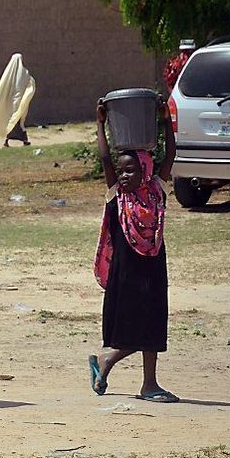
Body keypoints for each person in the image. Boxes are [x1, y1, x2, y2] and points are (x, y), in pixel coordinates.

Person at [89, 96, 178, 403]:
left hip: (152, 269)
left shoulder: (157, 192)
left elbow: (170, 156)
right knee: (133, 325)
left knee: (153, 323)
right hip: (125, 273)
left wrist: (165, 120)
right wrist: (101, 124)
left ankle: (147, 383)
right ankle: (109, 360)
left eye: (131, 171)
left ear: (145, 171)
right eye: (122, 171)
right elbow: (104, 160)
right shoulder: (117, 198)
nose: (124, 176)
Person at [0, 53, 36, 148]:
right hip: (19, 103)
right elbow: (29, 83)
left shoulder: (8, 74)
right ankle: (24, 141)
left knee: (11, 122)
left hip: (10, 103)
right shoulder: (24, 73)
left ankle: (9, 141)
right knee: (17, 123)